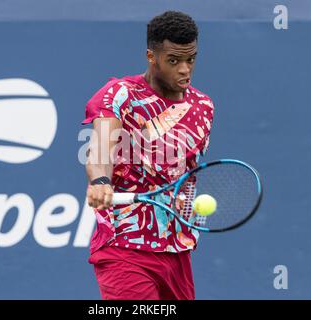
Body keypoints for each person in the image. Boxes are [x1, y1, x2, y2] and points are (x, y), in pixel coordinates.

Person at [82, 10, 214, 300]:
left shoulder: (203, 107)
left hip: (177, 251)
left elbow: (185, 173)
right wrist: (101, 180)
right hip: (123, 247)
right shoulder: (120, 95)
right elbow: (101, 146)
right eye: (173, 60)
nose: (184, 70)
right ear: (151, 57)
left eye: (190, 59)